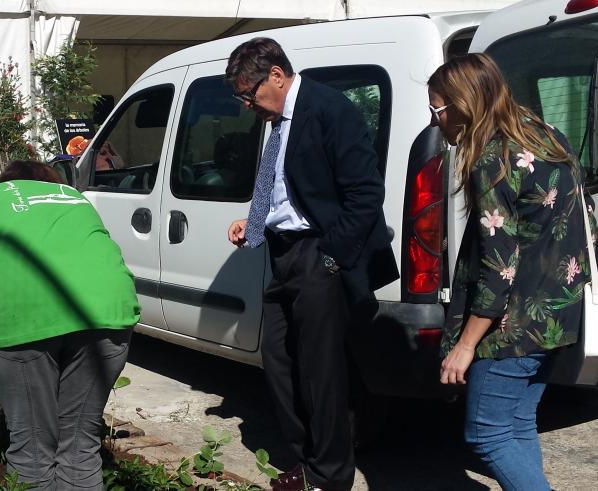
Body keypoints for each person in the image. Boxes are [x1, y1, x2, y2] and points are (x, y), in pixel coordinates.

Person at [223, 38, 398, 491]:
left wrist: (329, 257)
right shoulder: (278, 118)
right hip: (283, 253)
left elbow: (365, 195)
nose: (247, 105)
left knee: (321, 372)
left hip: (319, 252)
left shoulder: (329, 110)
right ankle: (307, 461)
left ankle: (329, 477)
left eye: (249, 94)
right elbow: (291, 189)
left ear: (276, 75)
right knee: (279, 360)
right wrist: (255, 219)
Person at [433, 53, 589, 491]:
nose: (435, 121)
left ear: (463, 104)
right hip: (557, 317)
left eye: (438, 109)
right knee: (518, 425)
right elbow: (584, 222)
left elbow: (499, 266)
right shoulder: (548, 137)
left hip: (512, 326)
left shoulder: (493, 158)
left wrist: (465, 345)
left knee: (487, 434)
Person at [0, 160, 140, 490]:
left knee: (33, 450)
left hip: (21, 314)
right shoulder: (74, 197)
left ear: (4, 183)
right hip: (108, 312)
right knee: (80, 445)